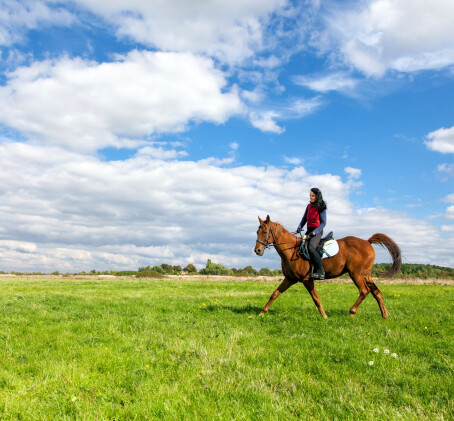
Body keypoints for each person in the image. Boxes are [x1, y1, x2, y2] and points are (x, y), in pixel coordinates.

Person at [296, 188, 327, 280]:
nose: (311, 197)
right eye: (310, 195)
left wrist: (315, 232)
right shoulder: (308, 206)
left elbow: (323, 223)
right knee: (300, 246)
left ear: (317, 196)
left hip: (317, 230)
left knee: (310, 247)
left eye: (313, 196)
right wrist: (300, 227)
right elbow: (304, 218)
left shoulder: (321, 206)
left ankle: (320, 271)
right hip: (309, 230)